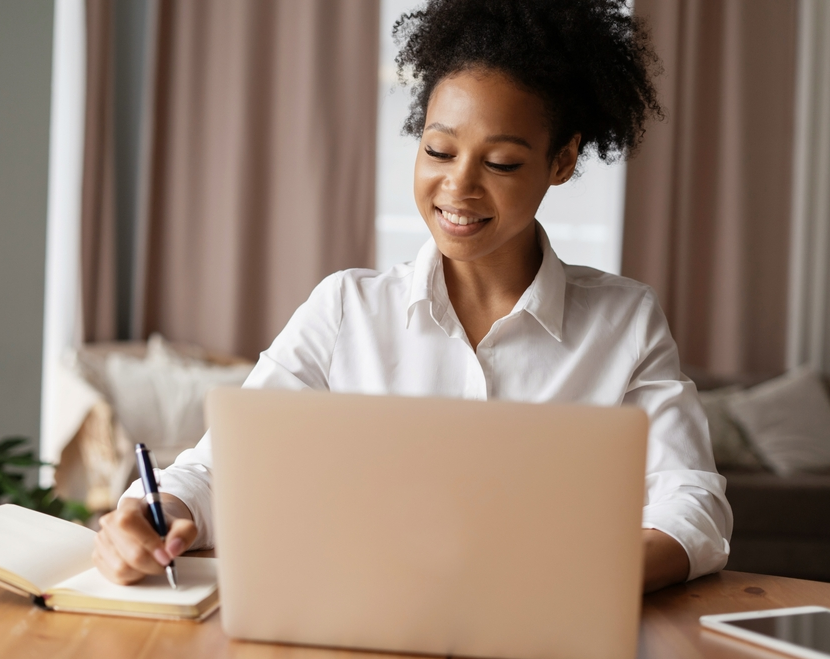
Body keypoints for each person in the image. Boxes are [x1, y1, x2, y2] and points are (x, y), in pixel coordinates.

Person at [93, 0, 732, 594]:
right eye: (438, 149)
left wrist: (579, 582)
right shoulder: (345, 309)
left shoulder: (625, 321)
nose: (459, 187)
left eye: (502, 163)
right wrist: (152, 518)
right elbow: (216, 470)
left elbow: (691, 500)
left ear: (561, 161)